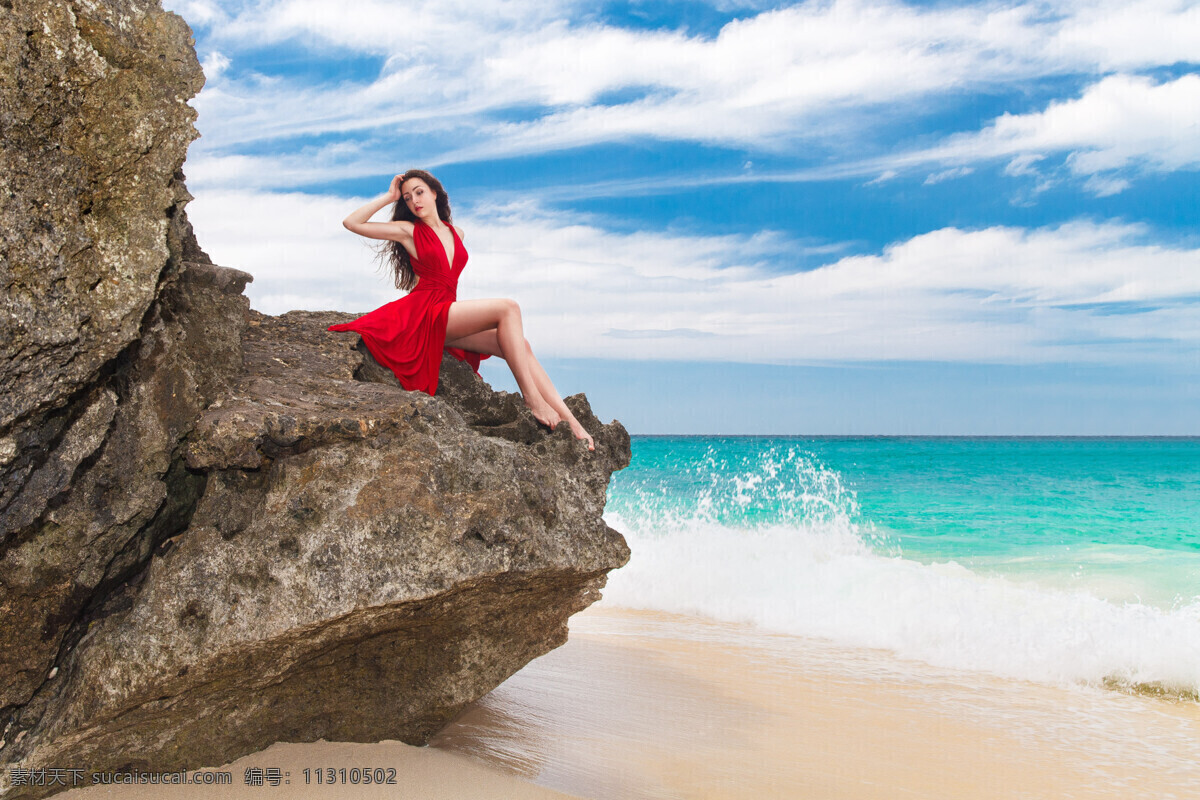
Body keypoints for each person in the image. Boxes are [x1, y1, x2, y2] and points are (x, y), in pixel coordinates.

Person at [328, 169, 595, 451]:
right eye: (407, 198)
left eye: (419, 192)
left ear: (434, 193)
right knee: (509, 308)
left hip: (446, 315)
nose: (414, 201)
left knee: (521, 345)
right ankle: (533, 400)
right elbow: (351, 222)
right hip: (425, 314)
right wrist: (389, 196)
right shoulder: (409, 231)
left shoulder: (458, 233)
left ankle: (574, 425)